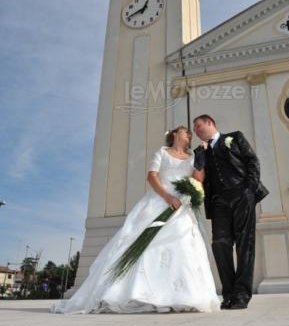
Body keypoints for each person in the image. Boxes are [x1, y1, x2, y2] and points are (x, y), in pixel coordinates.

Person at [51, 126, 220, 314]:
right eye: (184, 131)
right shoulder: (162, 152)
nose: (189, 134)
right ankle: (138, 293)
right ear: (174, 135)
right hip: (161, 200)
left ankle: (183, 295)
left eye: (190, 133)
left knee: (183, 243)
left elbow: (198, 179)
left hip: (182, 205)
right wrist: (167, 197)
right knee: (145, 244)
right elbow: (152, 176)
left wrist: (201, 161)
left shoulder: (192, 157)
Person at [193, 115, 269, 310]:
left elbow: (252, 161)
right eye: (194, 129)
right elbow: (199, 174)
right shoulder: (199, 151)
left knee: (245, 244)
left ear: (210, 123)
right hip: (219, 202)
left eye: (199, 126)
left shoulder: (235, 138)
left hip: (242, 195)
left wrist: (249, 190)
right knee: (219, 244)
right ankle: (229, 294)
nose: (196, 131)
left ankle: (242, 294)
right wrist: (201, 154)